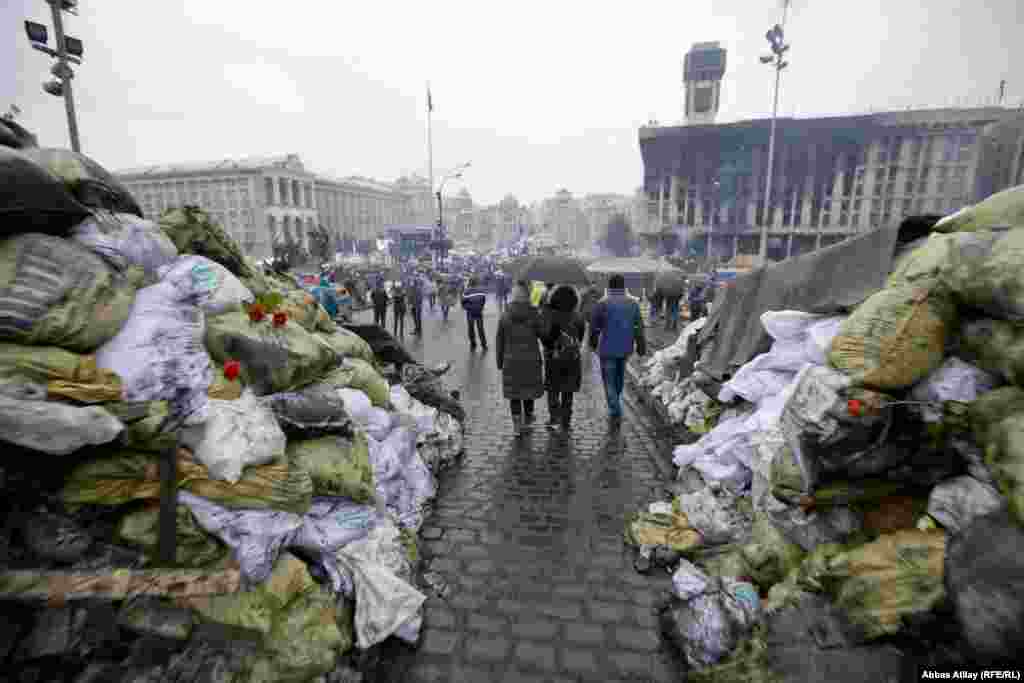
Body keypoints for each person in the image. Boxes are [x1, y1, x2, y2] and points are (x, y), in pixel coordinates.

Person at [589, 273, 646, 429]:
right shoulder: (633, 304)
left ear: (609, 287)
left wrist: (592, 343)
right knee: (619, 378)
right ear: (623, 287)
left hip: (607, 348)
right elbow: (639, 327)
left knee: (609, 381)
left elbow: (594, 326)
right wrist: (641, 345)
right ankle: (616, 405)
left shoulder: (602, 304)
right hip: (625, 348)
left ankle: (615, 409)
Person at [496, 281, 547, 437]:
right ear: (528, 295)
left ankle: (517, 427)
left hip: (511, 360)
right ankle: (527, 422)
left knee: (515, 395)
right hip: (531, 359)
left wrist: (499, 361)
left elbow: (500, 341)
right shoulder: (534, 314)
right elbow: (543, 335)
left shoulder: (505, 315)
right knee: (528, 392)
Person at [541, 285, 586, 432]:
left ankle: (554, 419)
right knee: (568, 391)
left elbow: (546, 341)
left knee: (553, 390)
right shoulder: (578, 317)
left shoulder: (550, 315)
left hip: (553, 359)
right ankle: (566, 421)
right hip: (572, 359)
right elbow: (580, 338)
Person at [461, 276, 488, 351]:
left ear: (470, 283)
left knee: (471, 329)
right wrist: (480, 307)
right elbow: (483, 300)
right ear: (476, 282)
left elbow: (463, 303)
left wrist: (468, 308)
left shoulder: (466, 292)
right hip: (479, 312)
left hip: (470, 313)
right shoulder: (481, 291)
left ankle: (473, 344)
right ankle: (484, 344)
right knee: (480, 329)